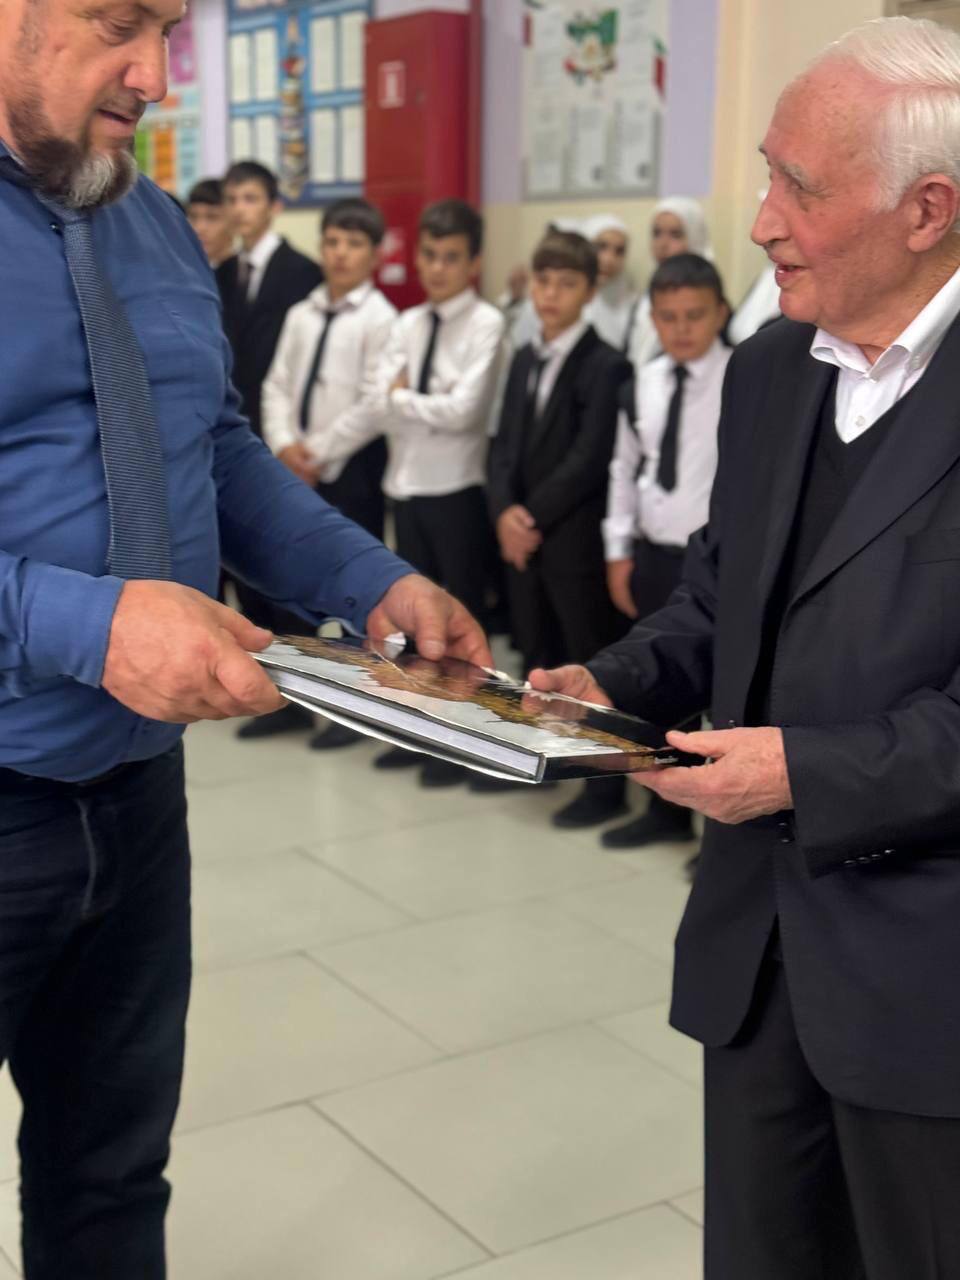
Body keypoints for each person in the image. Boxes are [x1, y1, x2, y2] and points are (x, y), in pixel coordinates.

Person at [0, 0, 490, 1272]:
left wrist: (370, 577)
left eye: (171, 28)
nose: (157, 74)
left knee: (110, 1172)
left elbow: (213, 450)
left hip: (135, 798)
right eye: (122, 22)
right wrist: (92, 620)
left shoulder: (154, 223)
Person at [532, 16, 960, 1277]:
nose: (762, 222)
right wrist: (607, 680)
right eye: (766, 175)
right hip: (758, 952)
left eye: (799, 188)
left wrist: (803, 773)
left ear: (927, 209)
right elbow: (723, 598)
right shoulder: (773, 369)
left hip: (928, 980)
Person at [315, 198, 506, 787]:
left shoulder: (487, 323)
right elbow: (379, 402)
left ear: (473, 263)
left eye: (451, 257)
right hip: (406, 486)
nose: (437, 268)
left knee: (463, 627)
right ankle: (424, 733)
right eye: (429, 255)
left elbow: (464, 411)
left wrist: (404, 401)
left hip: (456, 491)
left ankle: (471, 744)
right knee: (415, 629)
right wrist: (411, 403)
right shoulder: (409, 322)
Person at [488, 229, 631, 827]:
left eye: (566, 284)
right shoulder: (525, 356)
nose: (550, 295)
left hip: (571, 540)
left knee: (583, 659)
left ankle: (602, 786)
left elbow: (589, 458)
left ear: (590, 291)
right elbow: (503, 444)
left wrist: (530, 517)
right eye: (543, 282)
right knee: (538, 653)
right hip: (524, 539)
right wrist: (503, 510)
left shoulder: (606, 364)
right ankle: (545, 759)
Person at [602, 253, 730, 851]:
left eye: (695, 315)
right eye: (669, 317)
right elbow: (625, 470)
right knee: (659, 684)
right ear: (652, 318)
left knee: (720, 694)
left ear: (720, 313)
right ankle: (665, 811)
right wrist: (618, 550)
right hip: (654, 554)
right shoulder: (642, 384)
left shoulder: (744, 378)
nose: (681, 329)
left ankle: (719, 831)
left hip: (718, 562)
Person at [260, 197, 396, 750]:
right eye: (333, 242)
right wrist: (284, 445)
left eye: (354, 244)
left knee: (351, 591)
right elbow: (276, 384)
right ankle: (295, 699)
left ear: (375, 254)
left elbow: (374, 403)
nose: (340, 254)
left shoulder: (381, 318)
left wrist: (316, 454)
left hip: (349, 470)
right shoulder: (303, 312)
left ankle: (354, 710)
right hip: (293, 468)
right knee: (293, 584)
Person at [215, 160, 324, 733]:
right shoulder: (223, 272)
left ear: (275, 206)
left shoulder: (301, 272)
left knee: (288, 565)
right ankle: (271, 693)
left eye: (251, 198)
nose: (241, 209)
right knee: (247, 569)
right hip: (232, 427)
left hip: (281, 434)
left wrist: (288, 437)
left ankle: (308, 695)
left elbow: (302, 368)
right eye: (233, 198)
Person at [631, 196, 715, 368]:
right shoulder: (644, 301)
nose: (662, 244)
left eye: (675, 235)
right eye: (657, 233)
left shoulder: (710, 300)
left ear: (695, 238)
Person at [581, 213, 640, 352]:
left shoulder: (635, 306)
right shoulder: (561, 300)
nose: (609, 259)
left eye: (619, 251)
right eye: (601, 247)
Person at [185, 176, 233, 268]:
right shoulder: (187, 270)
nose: (199, 228)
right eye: (193, 217)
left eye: (212, 217)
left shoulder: (246, 272)